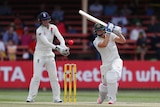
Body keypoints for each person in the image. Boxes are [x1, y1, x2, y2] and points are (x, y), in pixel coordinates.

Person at [26, 11, 70, 103]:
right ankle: (31, 97)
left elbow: (60, 37)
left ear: (49, 19)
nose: (45, 22)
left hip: (49, 55)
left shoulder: (53, 27)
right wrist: (58, 48)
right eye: (43, 20)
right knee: (36, 76)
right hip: (39, 55)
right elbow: (46, 42)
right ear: (40, 21)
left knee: (54, 77)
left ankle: (56, 97)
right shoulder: (39, 31)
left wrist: (63, 46)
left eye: (46, 20)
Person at [93, 23, 126, 104]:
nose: (99, 32)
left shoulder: (110, 35)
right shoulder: (96, 41)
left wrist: (119, 33)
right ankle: (101, 97)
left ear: (103, 30)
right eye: (97, 31)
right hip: (106, 64)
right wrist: (108, 32)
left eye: (100, 30)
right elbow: (104, 44)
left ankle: (112, 98)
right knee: (104, 84)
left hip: (116, 60)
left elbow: (122, 41)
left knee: (112, 77)